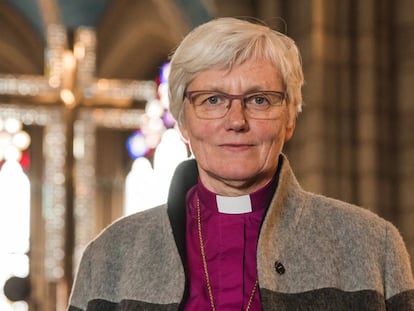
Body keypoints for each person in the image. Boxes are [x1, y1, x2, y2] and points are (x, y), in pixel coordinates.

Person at [68, 17, 414, 310]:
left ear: (290, 118)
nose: (236, 121)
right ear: (183, 122)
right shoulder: (110, 256)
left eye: (260, 100)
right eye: (213, 99)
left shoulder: (372, 246)